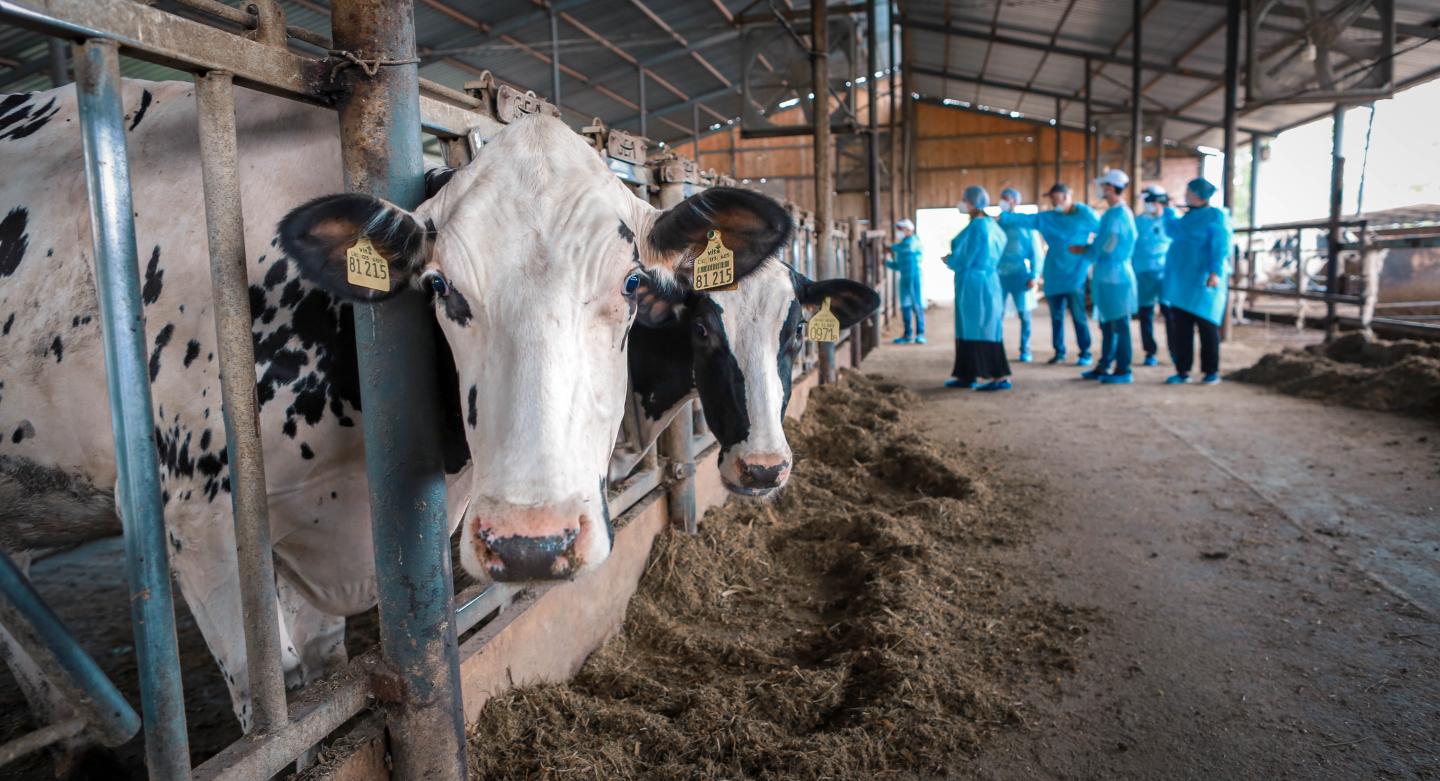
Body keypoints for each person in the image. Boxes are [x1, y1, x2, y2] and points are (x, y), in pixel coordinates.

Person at [998, 182, 1099, 365]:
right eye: (1052, 201)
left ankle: (1085, 352)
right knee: (1057, 316)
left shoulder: (1085, 215)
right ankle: (1059, 352)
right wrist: (1002, 217)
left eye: (1057, 200)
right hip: (1054, 272)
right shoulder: (1049, 218)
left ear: (1067, 197)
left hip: (1076, 272)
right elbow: (1026, 220)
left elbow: (1105, 234)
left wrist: (1089, 250)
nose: (1054, 204)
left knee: (1078, 315)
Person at [1161, 177, 1232, 385]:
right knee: (1181, 328)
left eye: (1189, 192)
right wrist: (1166, 209)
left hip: (1203, 280)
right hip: (1182, 281)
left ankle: (1211, 371)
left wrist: (1215, 272)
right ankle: (1183, 371)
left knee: (1206, 326)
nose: (1186, 195)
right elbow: (1172, 232)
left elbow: (1220, 246)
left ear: (1199, 195)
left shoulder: (1215, 216)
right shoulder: (1188, 217)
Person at [1070, 169, 1138, 385]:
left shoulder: (1119, 214)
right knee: (1107, 322)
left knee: (1120, 322)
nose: (1101, 190)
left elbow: (1109, 244)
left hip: (1116, 275)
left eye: (1104, 186)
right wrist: (1090, 250)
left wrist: (1088, 251)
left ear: (1111, 187)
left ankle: (1123, 369)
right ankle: (1105, 364)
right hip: (1106, 273)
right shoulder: (1111, 214)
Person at [943, 186, 1012, 391]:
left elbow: (967, 256)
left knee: (981, 327)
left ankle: (998, 376)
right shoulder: (991, 225)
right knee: (974, 327)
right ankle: (967, 373)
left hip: (975, 282)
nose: (962, 203)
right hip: (985, 280)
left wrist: (951, 260)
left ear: (972, 203)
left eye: (964, 200)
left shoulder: (978, 226)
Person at [997, 187, 1039, 362]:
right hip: (999, 274)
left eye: (1006, 198)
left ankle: (1025, 349)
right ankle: (995, 347)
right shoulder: (997, 223)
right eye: (1001, 198)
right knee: (996, 313)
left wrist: (1034, 275)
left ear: (1015, 200)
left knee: (1024, 313)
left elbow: (1035, 252)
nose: (1002, 201)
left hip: (1020, 273)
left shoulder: (1024, 224)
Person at [1134, 186, 1174, 366]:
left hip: (1166, 273)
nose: (1150, 205)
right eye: (1148, 202)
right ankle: (1150, 352)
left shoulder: (1171, 220)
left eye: (1154, 202)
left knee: (1169, 313)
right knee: (1146, 314)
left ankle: (1175, 351)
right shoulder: (1138, 222)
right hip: (1143, 272)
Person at [886, 218, 926, 344]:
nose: (899, 231)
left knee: (917, 305)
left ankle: (920, 334)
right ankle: (907, 334)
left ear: (909, 230)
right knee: (905, 306)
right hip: (904, 278)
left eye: (901, 229)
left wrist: (889, 247)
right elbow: (898, 265)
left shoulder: (913, 242)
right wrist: (886, 262)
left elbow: (905, 248)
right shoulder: (901, 245)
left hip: (915, 278)